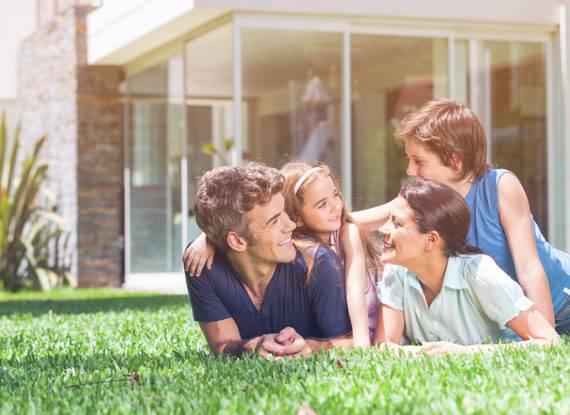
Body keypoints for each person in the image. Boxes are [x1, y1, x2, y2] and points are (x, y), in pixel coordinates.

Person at [355, 98, 570, 335]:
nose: (410, 171)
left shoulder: (500, 187)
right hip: (515, 312)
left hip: (560, 303)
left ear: (455, 162)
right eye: (409, 160)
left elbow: (530, 270)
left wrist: (545, 336)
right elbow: (364, 219)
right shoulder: (426, 199)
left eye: (419, 161)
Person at [185, 162, 383, 348]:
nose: (290, 226)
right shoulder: (201, 263)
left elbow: (349, 342)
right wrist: (256, 346)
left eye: (284, 212)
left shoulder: (320, 259)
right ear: (236, 241)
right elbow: (222, 346)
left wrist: (310, 348)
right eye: (274, 221)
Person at [374, 180, 558, 355]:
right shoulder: (397, 270)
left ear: (430, 240)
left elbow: (550, 342)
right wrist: (421, 353)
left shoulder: (480, 274)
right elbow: (384, 345)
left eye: (396, 223)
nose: (383, 229)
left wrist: (464, 352)